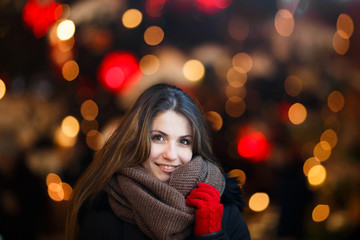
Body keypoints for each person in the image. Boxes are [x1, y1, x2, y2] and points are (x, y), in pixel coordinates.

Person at [66, 83, 250, 240]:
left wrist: (212, 235)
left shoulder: (221, 206)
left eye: (184, 141)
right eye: (158, 138)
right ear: (135, 140)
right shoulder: (105, 208)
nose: (171, 154)